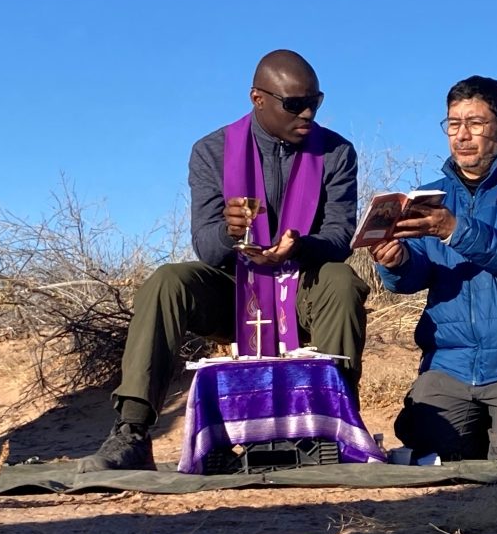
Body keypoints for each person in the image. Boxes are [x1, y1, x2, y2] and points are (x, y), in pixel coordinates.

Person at [78, 50, 370, 472]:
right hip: (235, 294)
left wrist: (300, 245)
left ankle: (337, 426)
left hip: (304, 289)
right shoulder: (211, 151)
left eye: (315, 102)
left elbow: (340, 237)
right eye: (294, 104)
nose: (307, 113)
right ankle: (133, 432)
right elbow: (206, 248)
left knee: (341, 280)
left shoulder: (336, 153)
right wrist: (230, 233)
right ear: (258, 98)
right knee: (167, 281)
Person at [371, 75, 497, 462]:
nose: (462, 135)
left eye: (475, 124)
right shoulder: (427, 195)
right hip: (448, 362)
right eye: (453, 124)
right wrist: (396, 262)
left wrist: (453, 229)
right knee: (436, 454)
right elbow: (414, 278)